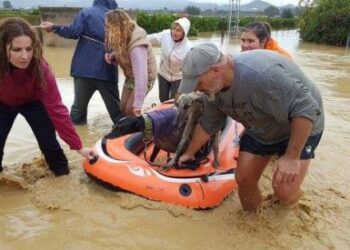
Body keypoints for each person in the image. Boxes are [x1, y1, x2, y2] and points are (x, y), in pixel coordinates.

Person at [177, 42, 324, 211]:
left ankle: (296, 209)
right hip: (261, 127)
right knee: (244, 179)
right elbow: (208, 125)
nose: (197, 89)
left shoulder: (262, 75)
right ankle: (254, 224)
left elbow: (306, 108)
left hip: (300, 123)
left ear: (215, 71)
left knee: (284, 191)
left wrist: (291, 158)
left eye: (198, 83)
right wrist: (188, 154)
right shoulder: (211, 91)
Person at [0, 18, 96, 176]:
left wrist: (79, 147)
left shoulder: (41, 70)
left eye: (29, 48)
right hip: (2, 104)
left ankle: (63, 178)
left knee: (50, 145)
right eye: (17, 50)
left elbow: (57, 110)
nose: (25, 56)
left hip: (34, 102)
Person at [40, 0, 122, 125]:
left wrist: (54, 28)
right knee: (117, 113)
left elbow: (73, 32)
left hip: (83, 69)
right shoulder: (116, 17)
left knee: (78, 111)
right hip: (107, 71)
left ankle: (78, 141)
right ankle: (130, 139)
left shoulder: (85, 13)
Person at [104, 9, 157, 116]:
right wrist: (113, 56)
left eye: (107, 27)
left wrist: (137, 106)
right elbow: (124, 50)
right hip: (131, 76)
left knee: (131, 110)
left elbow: (142, 79)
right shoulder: (123, 35)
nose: (105, 29)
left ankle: (140, 129)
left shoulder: (137, 48)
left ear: (116, 28)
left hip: (145, 78)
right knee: (122, 108)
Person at [147, 17, 191, 102]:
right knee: (163, 99)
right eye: (173, 28)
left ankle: (174, 114)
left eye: (178, 30)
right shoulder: (165, 35)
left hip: (178, 77)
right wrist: (138, 39)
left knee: (174, 101)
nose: (174, 32)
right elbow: (151, 38)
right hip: (163, 73)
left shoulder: (188, 48)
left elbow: (192, 67)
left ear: (184, 33)